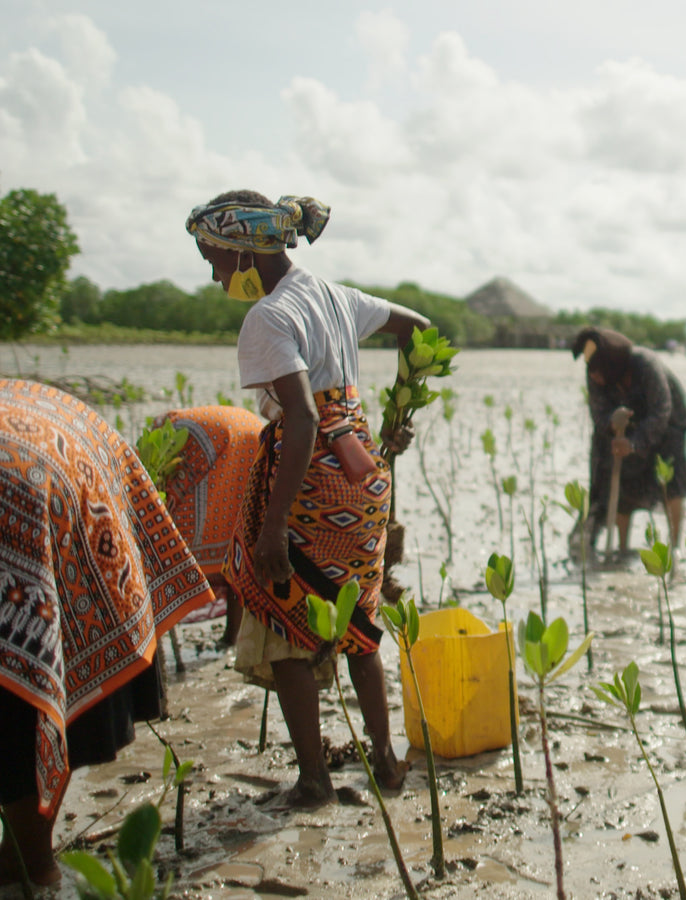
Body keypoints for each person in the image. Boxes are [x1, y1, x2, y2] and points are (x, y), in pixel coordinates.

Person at [186, 190, 430, 808]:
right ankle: (384, 761)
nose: (215, 274)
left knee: (283, 630)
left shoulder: (268, 319)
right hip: (363, 476)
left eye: (215, 258)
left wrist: (271, 531)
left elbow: (300, 421)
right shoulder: (335, 295)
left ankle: (316, 779)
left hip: (311, 482)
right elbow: (421, 333)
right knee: (358, 623)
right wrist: (397, 415)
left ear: (245, 249)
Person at [0, 379, 214, 889]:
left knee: (19, 691)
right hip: (75, 459)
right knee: (42, 676)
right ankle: (29, 852)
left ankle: (30, 861)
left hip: (33, 482)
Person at [570, 327, 686, 553]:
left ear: (612, 364)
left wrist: (635, 442)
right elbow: (598, 414)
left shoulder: (645, 364)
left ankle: (674, 547)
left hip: (669, 424)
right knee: (619, 481)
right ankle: (622, 546)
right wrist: (612, 426)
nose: (594, 375)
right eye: (591, 370)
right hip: (623, 426)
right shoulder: (595, 376)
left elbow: (662, 410)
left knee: (672, 482)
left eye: (598, 370)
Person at [157, 404, 268, 646]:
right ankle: (232, 636)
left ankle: (159, 637)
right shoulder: (170, 429)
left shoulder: (166, 435)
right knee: (239, 538)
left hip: (221, 437)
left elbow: (166, 497)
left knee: (168, 537)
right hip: (247, 432)